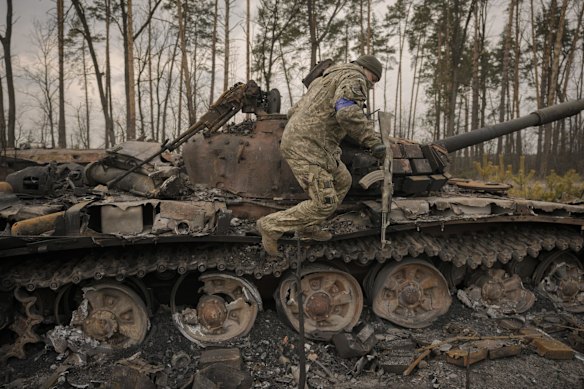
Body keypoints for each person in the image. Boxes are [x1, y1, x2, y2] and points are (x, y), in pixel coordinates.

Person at [256, 54, 387, 256]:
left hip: (318, 145)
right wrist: (372, 141)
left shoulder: (323, 78)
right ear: (366, 70)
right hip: (307, 147)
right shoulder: (355, 77)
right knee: (324, 203)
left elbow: (293, 111)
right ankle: (271, 226)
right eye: (374, 79)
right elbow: (346, 112)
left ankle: (306, 227)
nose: (372, 84)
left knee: (343, 180)